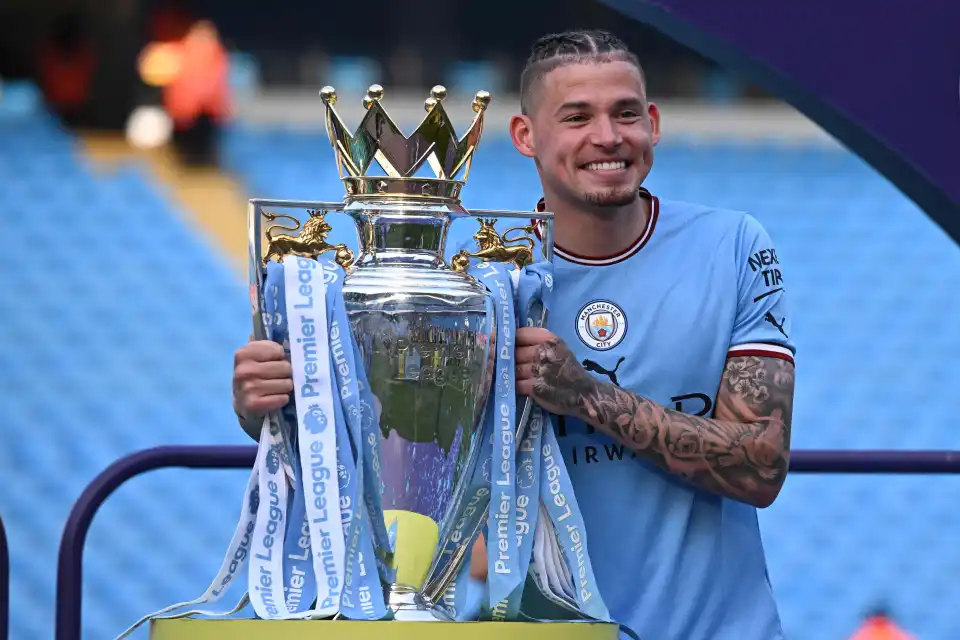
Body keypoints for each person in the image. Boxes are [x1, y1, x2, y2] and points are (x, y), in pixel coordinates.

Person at [233, 28, 796, 640]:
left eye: (626, 113)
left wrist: (587, 396)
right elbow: (395, 452)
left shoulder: (732, 246)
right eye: (577, 117)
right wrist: (280, 410)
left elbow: (760, 467)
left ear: (653, 124)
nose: (608, 136)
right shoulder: (479, 288)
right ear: (525, 135)